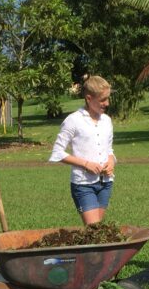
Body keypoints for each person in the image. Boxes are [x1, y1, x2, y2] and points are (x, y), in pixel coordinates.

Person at [49, 76, 116, 224]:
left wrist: (111, 162)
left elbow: (109, 149)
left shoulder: (107, 121)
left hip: (106, 183)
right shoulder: (73, 120)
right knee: (94, 229)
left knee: (98, 232)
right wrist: (86, 164)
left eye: (108, 98)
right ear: (88, 98)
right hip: (83, 184)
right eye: (102, 100)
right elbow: (57, 153)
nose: (107, 103)